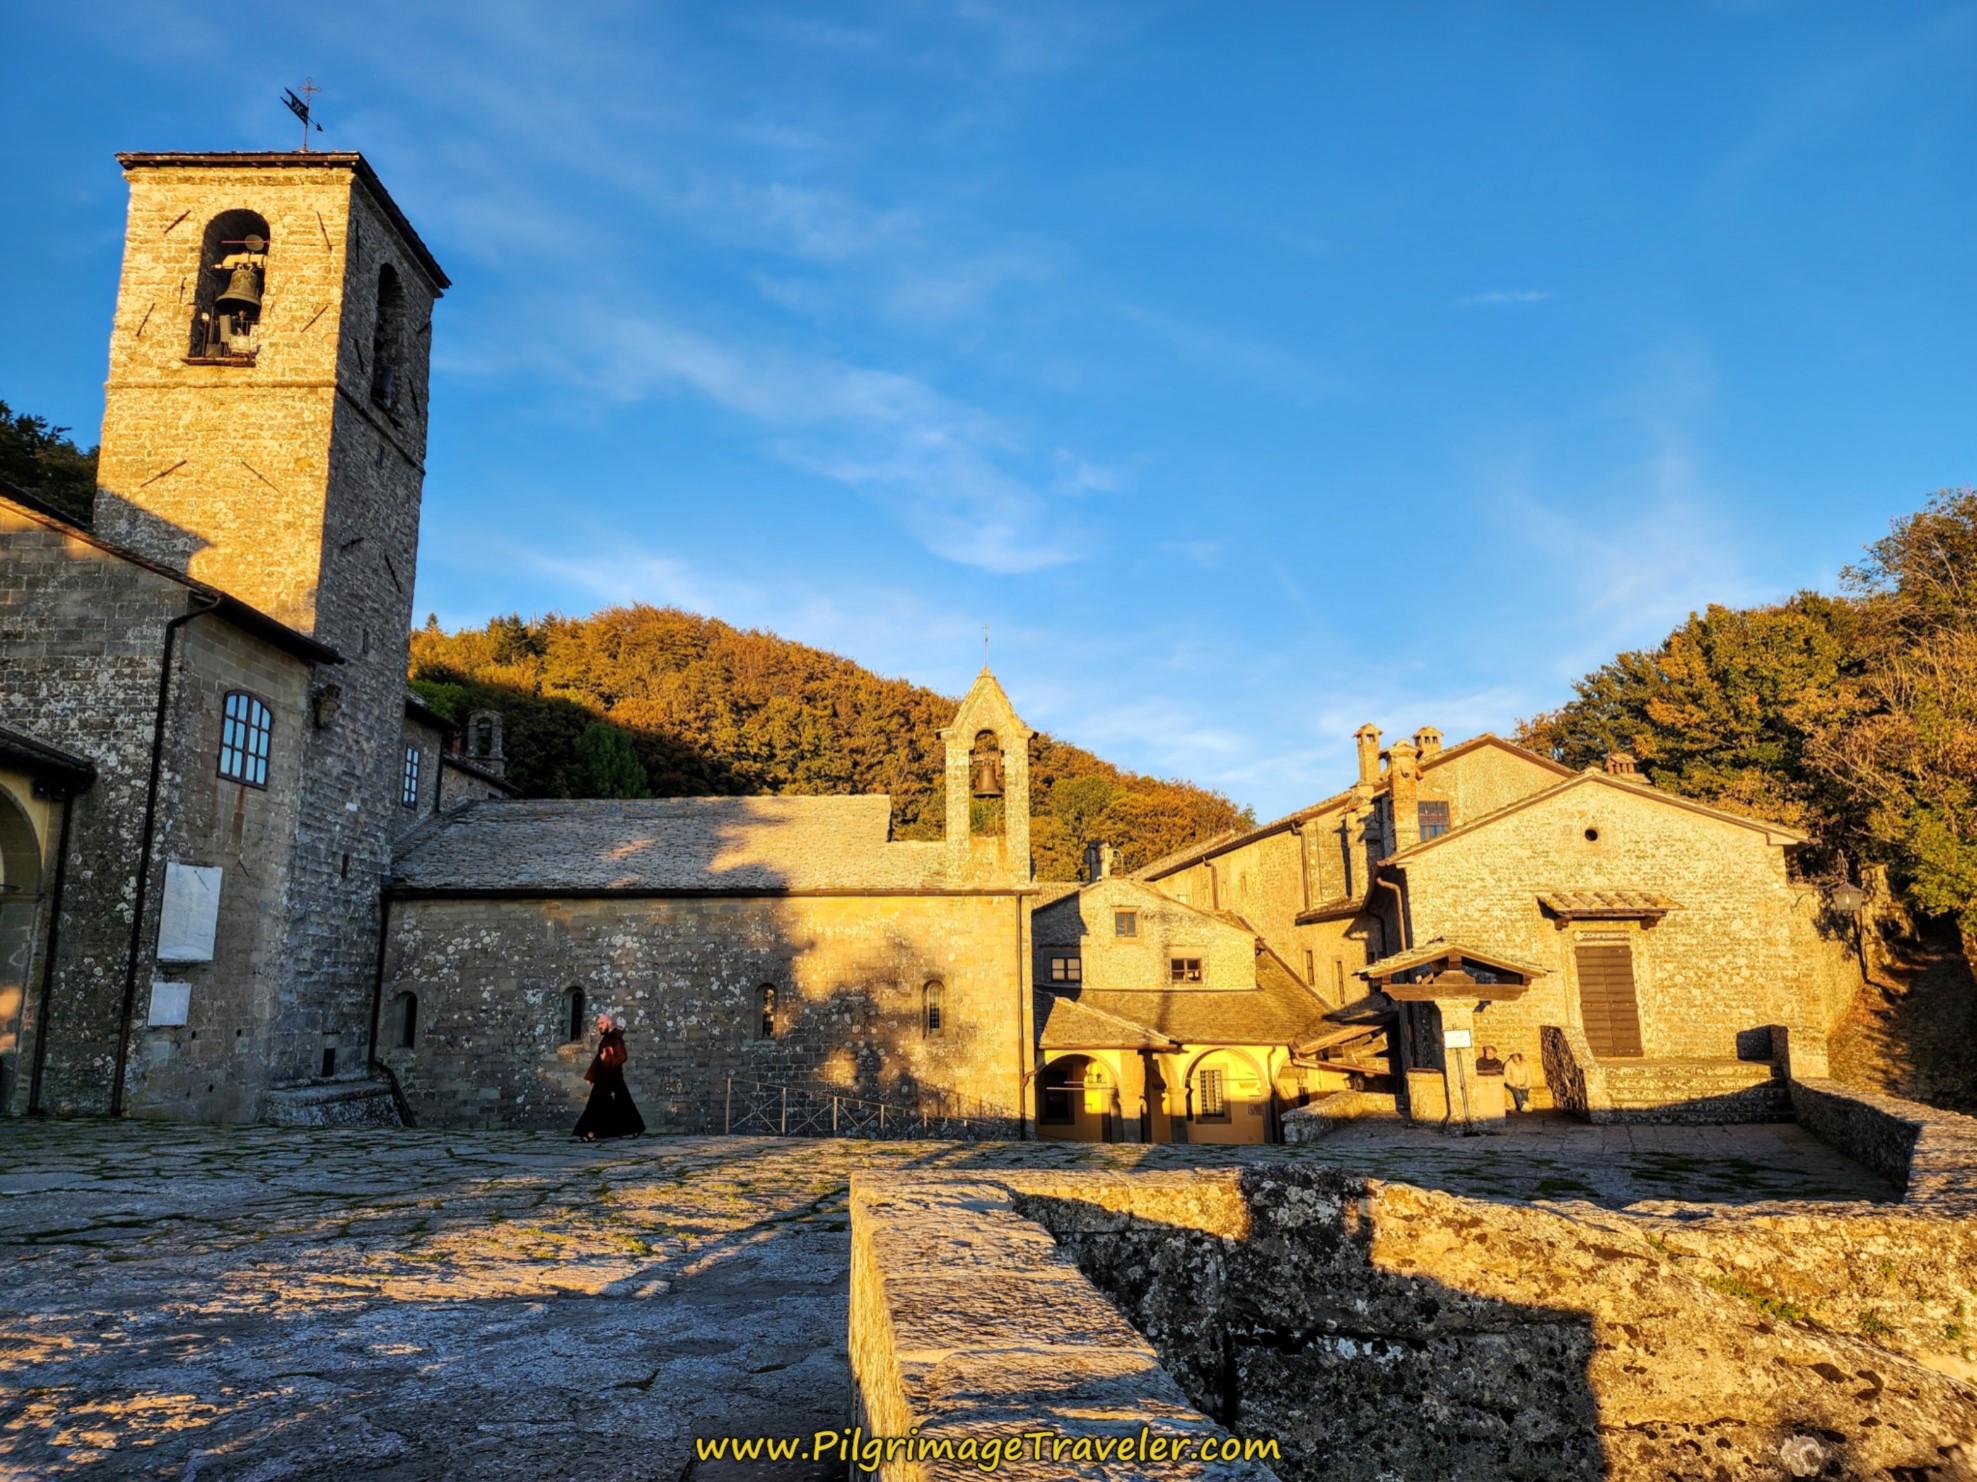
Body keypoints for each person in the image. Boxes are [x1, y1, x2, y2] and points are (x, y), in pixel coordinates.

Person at [574, 1012, 645, 1142]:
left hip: (611, 1078)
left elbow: (622, 1057)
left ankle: (591, 1133)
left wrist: (606, 1059)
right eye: (598, 1024)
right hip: (605, 1078)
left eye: (601, 1023)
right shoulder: (607, 1038)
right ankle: (635, 1127)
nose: (599, 1026)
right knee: (619, 1104)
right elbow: (599, 1059)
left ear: (609, 1022)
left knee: (597, 1106)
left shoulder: (616, 1038)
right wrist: (591, 1076)